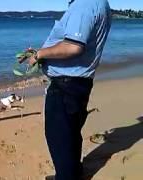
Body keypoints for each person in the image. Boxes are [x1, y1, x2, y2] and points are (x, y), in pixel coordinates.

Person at [19, 0, 112, 179]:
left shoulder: (84, 4)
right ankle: (73, 173)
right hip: (78, 83)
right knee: (70, 135)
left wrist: (40, 54)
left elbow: (73, 46)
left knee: (60, 139)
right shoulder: (99, 3)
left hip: (66, 85)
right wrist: (42, 53)